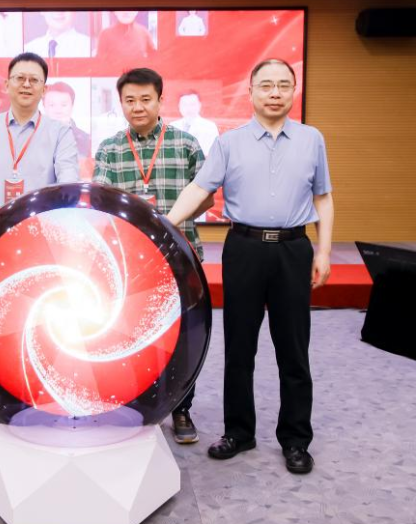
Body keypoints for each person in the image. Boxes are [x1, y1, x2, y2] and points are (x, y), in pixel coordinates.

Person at [166, 59, 334, 474]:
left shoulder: (312, 139)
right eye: (266, 85)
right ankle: (239, 432)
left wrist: (324, 252)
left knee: (294, 349)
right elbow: (199, 188)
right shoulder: (229, 143)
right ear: (251, 92)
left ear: (293, 91)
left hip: (293, 250)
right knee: (239, 348)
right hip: (243, 248)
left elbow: (323, 197)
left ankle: (296, 439)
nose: (275, 93)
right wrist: (165, 226)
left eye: (283, 85)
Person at [0, 52, 80, 434]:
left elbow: (68, 186)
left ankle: (48, 401)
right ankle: (2, 405)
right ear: (6, 84)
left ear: (44, 88)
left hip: (43, 246)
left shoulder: (59, 132)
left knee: (47, 326)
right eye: (20, 78)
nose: (26, 84)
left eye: (34, 79)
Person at [93, 67, 212, 444]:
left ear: (161, 100)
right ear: (121, 104)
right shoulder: (110, 148)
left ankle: (181, 408)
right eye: (130, 100)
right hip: (131, 263)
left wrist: (171, 220)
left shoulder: (186, 144)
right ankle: (139, 404)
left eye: (146, 99)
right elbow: (101, 201)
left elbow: (207, 195)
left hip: (181, 255)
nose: (138, 107)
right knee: (133, 335)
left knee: (184, 338)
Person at [43, 81, 91, 159]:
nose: (58, 110)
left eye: (63, 105)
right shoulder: (33, 139)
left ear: (72, 106)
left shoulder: (87, 140)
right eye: (52, 105)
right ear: (44, 107)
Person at [170, 90, 219, 156]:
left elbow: (214, 153)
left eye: (192, 104)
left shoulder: (210, 127)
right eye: (184, 104)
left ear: (199, 105)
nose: (188, 108)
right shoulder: (172, 126)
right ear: (179, 106)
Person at [24, 11, 91, 58]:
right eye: (52, 6)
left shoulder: (89, 47)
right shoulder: (29, 49)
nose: (59, 13)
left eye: (66, 6)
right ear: (42, 11)